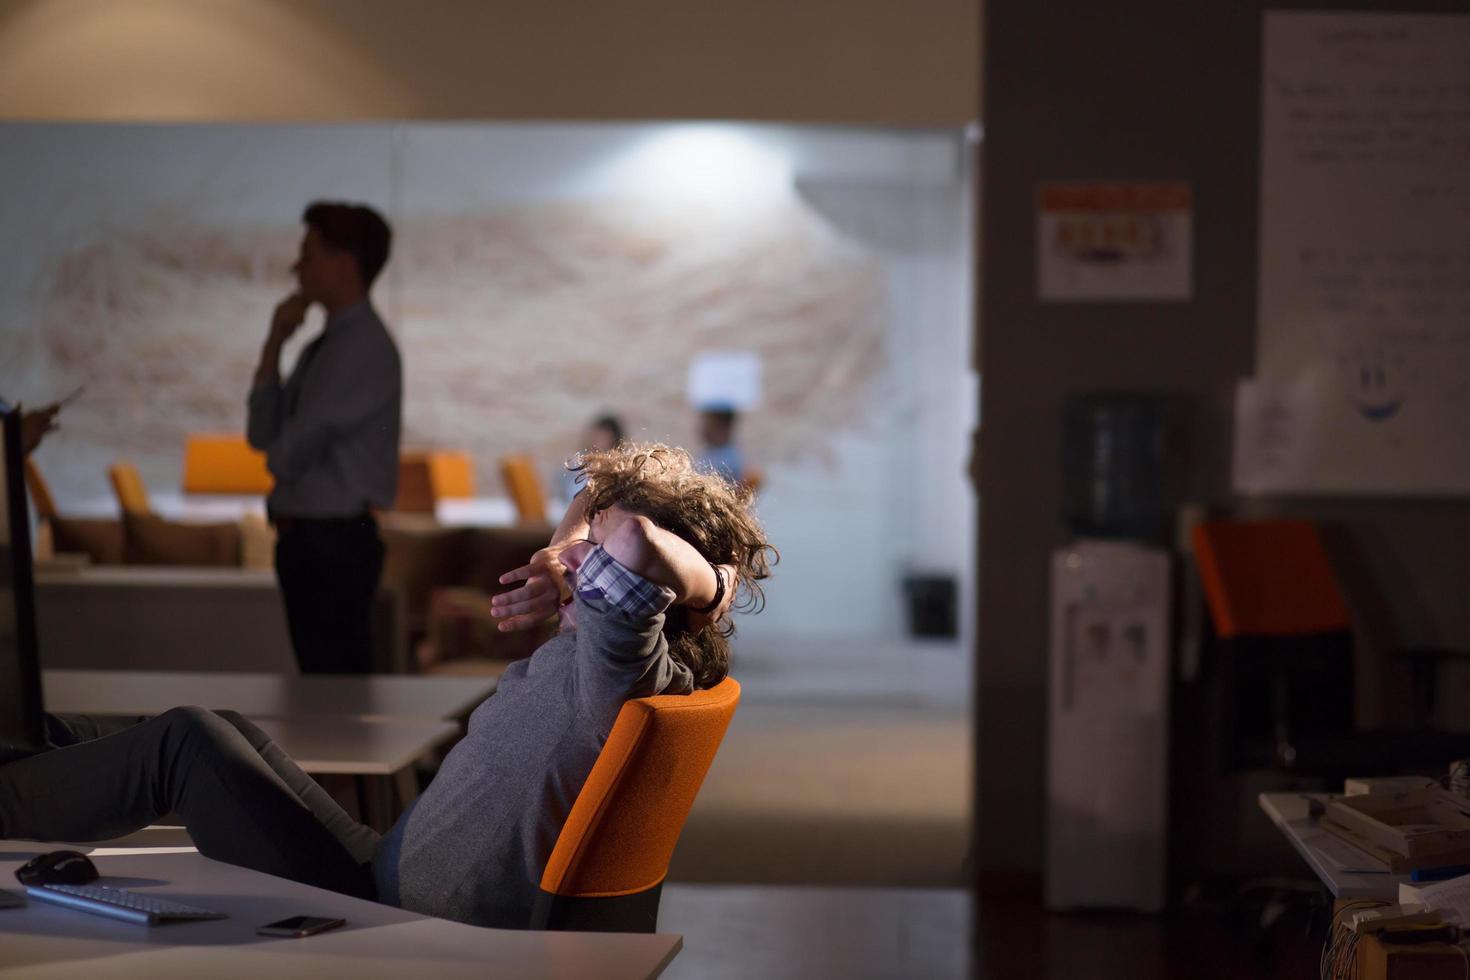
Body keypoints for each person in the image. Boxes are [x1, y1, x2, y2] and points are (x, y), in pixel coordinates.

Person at [0, 443, 774, 929]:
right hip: (386, 869)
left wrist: (698, 579)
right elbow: (629, 549)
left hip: (392, 913)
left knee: (185, 745)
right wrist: (589, 552)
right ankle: (21, 753)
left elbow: (635, 541)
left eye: (580, 535)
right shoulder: (617, 661)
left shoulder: (622, 663)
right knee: (217, 727)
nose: (561, 552)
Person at [246, 202, 402, 674]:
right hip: (315, 541)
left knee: (336, 696)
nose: (298, 267)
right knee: (323, 688)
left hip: (333, 544)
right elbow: (262, 436)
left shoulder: (361, 349)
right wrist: (275, 342)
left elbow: (285, 456)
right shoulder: (326, 346)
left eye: (308, 253)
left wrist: (279, 452)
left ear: (345, 262)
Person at [560, 413, 624, 502]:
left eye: (604, 436)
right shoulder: (576, 463)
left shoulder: (620, 468)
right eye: (597, 435)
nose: (599, 440)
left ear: (613, 439)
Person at [693, 405, 744, 484]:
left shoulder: (729, 461)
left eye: (707, 422)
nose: (702, 428)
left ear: (721, 426)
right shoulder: (708, 452)